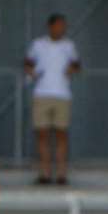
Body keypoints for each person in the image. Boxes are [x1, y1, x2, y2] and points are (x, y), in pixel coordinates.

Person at [24, 13, 81, 185]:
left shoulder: (69, 46)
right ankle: (45, 173)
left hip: (62, 94)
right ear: (50, 26)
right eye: (57, 25)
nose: (60, 29)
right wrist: (31, 73)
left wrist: (71, 69)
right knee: (42, 134)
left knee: (61, 134)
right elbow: (28, 62)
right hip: (42, 93)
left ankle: (62, 173)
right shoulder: (38, 44)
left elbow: (77, 64)